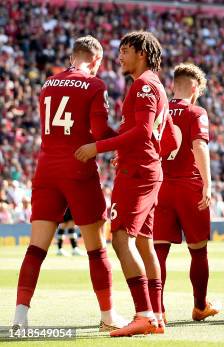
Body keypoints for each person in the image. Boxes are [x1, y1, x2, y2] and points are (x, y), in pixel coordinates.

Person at [12, 35, 126, 332]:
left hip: (46, 168)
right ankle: (108, 315)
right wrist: (126, 138)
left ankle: (20, 316)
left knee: (36, 248)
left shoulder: (48, 83)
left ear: (72, 56)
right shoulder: (95, 84)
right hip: (78, 168)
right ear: (96, 60)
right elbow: (100, 131)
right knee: (96, 249)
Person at [75, 31, 178, 336]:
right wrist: (134, 153)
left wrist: (100, 147)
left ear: (141, 54)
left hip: (137, 174)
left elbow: (144, 131)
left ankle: (144, 315)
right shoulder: (155, 85)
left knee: (121, 238)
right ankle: (156, 314)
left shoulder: (145, 85)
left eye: (124, 51)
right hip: (145, 169)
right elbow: (169, 138)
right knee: (144, 243)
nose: (119, 56)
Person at [152, 63, 221, 323]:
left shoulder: (158, 110)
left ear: (173, 86)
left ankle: (157, 310)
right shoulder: (195, 112)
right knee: (198, 250)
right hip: (189, 185)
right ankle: (200, 306)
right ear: (195, 88)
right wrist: (208, 183)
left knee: (158, 251)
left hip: (160, 186)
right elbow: (199, 146)